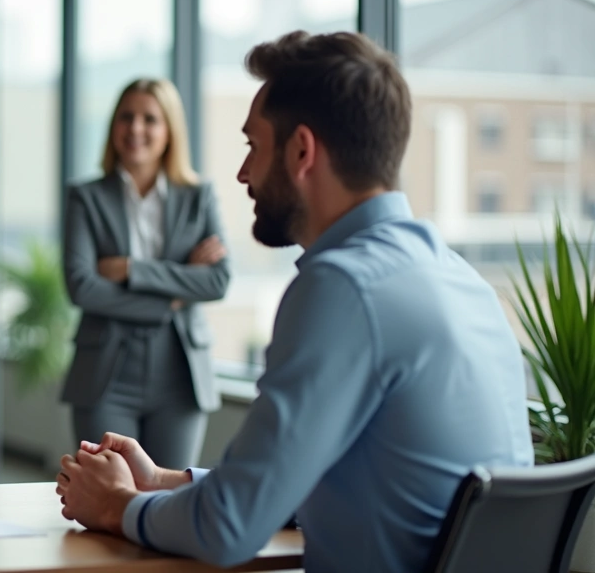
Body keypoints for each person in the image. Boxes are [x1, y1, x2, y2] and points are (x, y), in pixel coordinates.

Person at [56, 31, 532, 572]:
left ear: (302, 151)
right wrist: (166, 481)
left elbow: (227, 528)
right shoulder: (463, 280)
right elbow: (338, 484)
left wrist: (117, 506)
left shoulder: (342, 288)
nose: (242, 173)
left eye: (253, 146)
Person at [61, 78, 230, 471]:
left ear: (169, 130)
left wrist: (132, 269)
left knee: (168, 499)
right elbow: (82, 287)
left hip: (180, 376)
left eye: (150, 119)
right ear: (113, 126)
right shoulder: (85, 196)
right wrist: (171, 295)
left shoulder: (198, 196)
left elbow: (218, 280)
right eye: (126, 117)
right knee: (106, 493)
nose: (136, 128)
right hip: (105, 375)